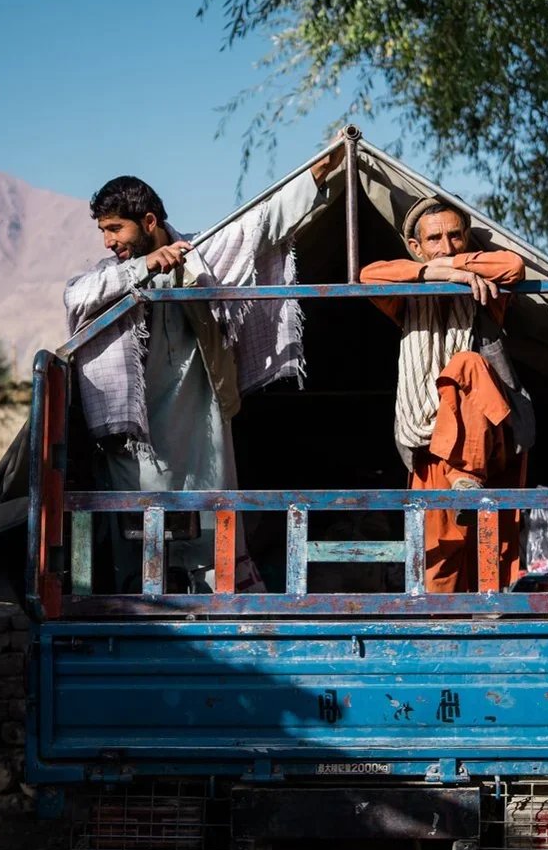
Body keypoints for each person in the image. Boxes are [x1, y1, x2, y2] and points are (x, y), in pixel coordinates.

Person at [65, 148, 343, 591]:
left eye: (115, 228)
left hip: (200, 424)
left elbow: (261, 222)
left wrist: (314, 174)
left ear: (150, 222)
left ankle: (221, 607)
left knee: (213, 527)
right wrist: (142, 267)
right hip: (137, 438)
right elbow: (75, 297)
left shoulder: (202, 252)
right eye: (103, 230)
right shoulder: (110, 275)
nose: (107, 241)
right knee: (139, 535)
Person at [360, 197, 527, 593]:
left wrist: (452, 269)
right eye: (435, 239)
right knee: (438, 557)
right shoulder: (406, 299)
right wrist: (430, 273)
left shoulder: (484, 289)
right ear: (416, 248)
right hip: (431, 444)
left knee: (465, 363)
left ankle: (467, 479)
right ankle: (441, 640)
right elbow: (368, 275)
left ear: (467, 239)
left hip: (488, 440)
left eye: (455, 236)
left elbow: (513, 265)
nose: (447, 245)